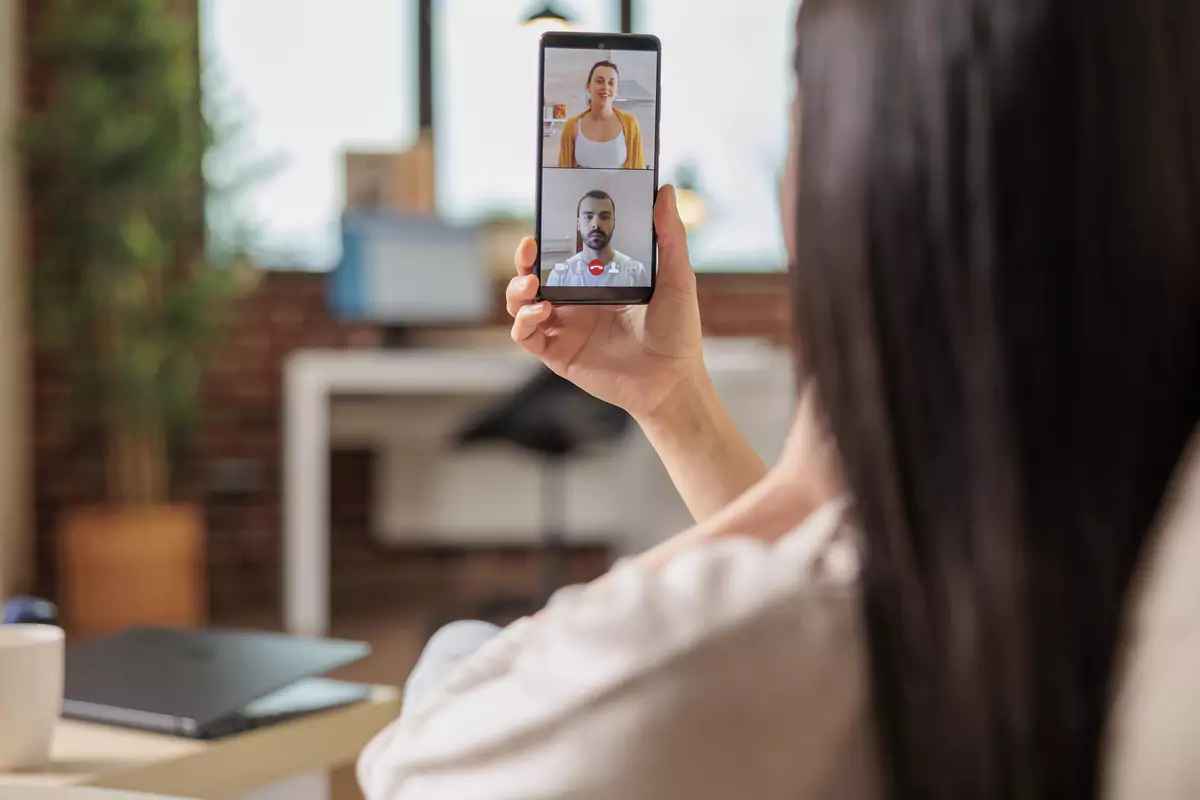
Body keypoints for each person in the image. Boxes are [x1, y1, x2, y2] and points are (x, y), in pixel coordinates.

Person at [359, 0, 1200, 797]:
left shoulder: (685, 667)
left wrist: (809, 476)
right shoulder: (1138, 560)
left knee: (455, 650)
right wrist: (675, 399)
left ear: (848, 183)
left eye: (802, 113)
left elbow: (406, 769)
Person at [545, 189, 649, 287]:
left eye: (604, 217)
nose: (596, 224)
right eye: (588, 217)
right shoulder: (559, 276)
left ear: (614, 223)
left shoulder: (636, 273)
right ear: (578, 224)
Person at [557, 60, 647, 170]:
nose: (605, 87)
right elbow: (563, 175)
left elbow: (638, 173)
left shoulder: (630, 124)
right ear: (588, 87)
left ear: (617, 90)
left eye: (611, 83)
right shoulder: (571, 127)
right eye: (599, 81)